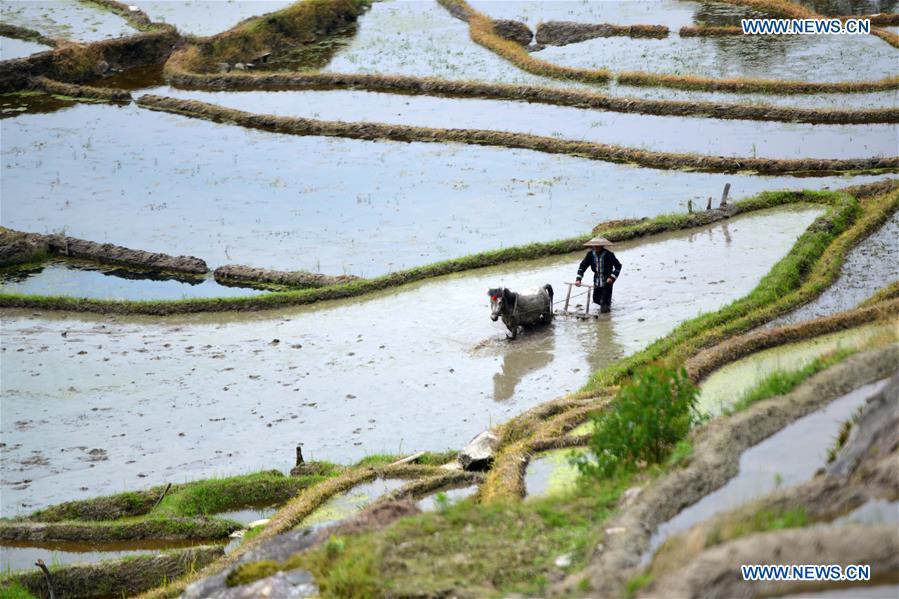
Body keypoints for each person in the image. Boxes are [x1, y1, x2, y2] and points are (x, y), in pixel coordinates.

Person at [574, 236, 621, 313]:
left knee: (604, 306)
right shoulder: (590, 255)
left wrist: (611, 278)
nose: (595, 247)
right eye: (594, 245)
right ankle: (607, 303)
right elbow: (582, 266)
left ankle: (606, 309)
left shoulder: (609, 255)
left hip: (607, 282)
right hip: (596, 281)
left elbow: (618, 266)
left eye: (597, 245)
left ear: (601, 246)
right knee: (596, 299)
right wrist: (578, 279)